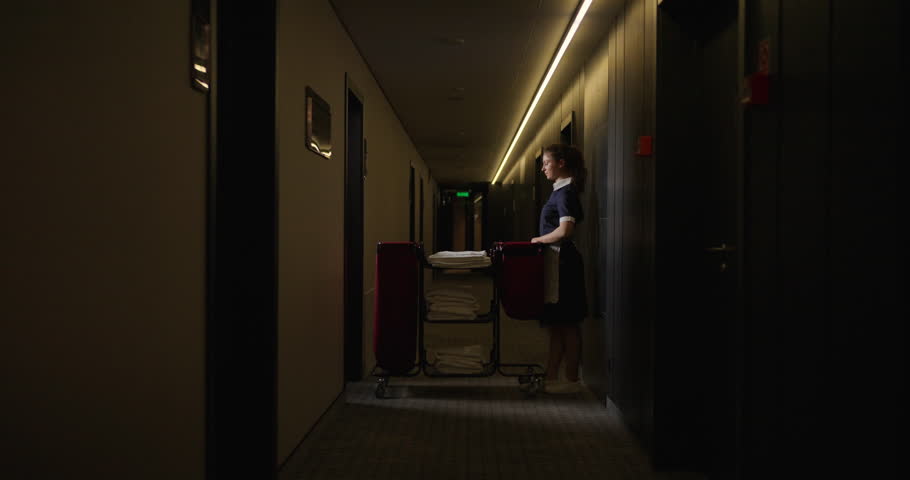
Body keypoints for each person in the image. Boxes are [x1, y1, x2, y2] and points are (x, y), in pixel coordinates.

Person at [530, 144, 588, 394]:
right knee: (557, 324)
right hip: (558, 261)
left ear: (561, 163)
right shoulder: (560, 191)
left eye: (546, 162)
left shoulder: (565, 193)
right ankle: (552, 376)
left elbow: (565, 230)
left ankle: (571, 380)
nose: (543, 168)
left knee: (567, 323)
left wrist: (538, 240)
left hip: (563, 263)